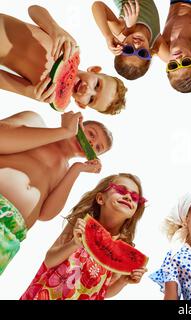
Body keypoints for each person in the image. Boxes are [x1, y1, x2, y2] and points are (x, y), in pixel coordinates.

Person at [0, 110, 109, 275]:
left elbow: (45, 214)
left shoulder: (65, 172)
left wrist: (76, 169)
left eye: (98, 148)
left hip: (10, 236)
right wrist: (64, 131)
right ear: (77, 124)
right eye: (91, 134)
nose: (92, 144)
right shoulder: (35, 122)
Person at [20, 173, 147, 300]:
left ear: (134, 212)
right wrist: (74, 244)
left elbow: (104, 291)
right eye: (121, 190)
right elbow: (49, 260)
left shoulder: (122, 247)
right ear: (100, 199)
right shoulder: (81, 225)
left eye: (135, 197)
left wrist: (123, 281)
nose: (128, 197)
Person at [0, 5, 127, 115]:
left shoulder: (46, 91)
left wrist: (28, 92)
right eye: (97, 85)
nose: (87, 90)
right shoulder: (68, 45)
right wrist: (55, 29)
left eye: (91, 99)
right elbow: (33, 10)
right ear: (94, 70)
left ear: (81, 104)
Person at [92, 0, 161, 80]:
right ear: (149, 53)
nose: (137, 45)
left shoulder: (121, 29)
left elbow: (97, 5)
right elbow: (171, 58)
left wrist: (108, 36)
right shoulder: (156, 42)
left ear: (121, 46)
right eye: (142, 53)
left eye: (129, 49)